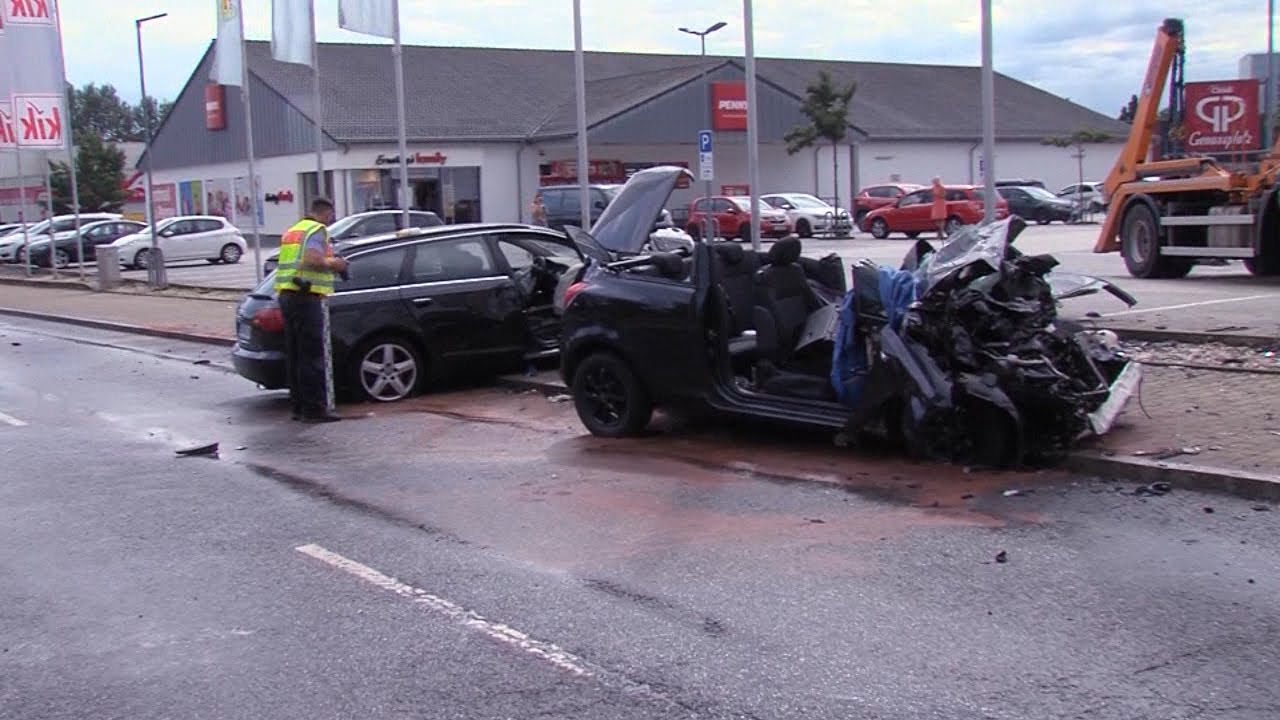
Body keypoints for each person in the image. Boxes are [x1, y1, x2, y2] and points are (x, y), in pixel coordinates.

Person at [274, 197, 349, 423]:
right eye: (330, 216)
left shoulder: (294, 231)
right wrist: (335, 264)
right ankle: (315, 409)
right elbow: (312, 259)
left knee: (296, 354)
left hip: (288, 294)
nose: (330, 220)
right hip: (305, 297)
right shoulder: (316, 231)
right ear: (326, 214)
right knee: (312, 355)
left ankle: (299, 406)